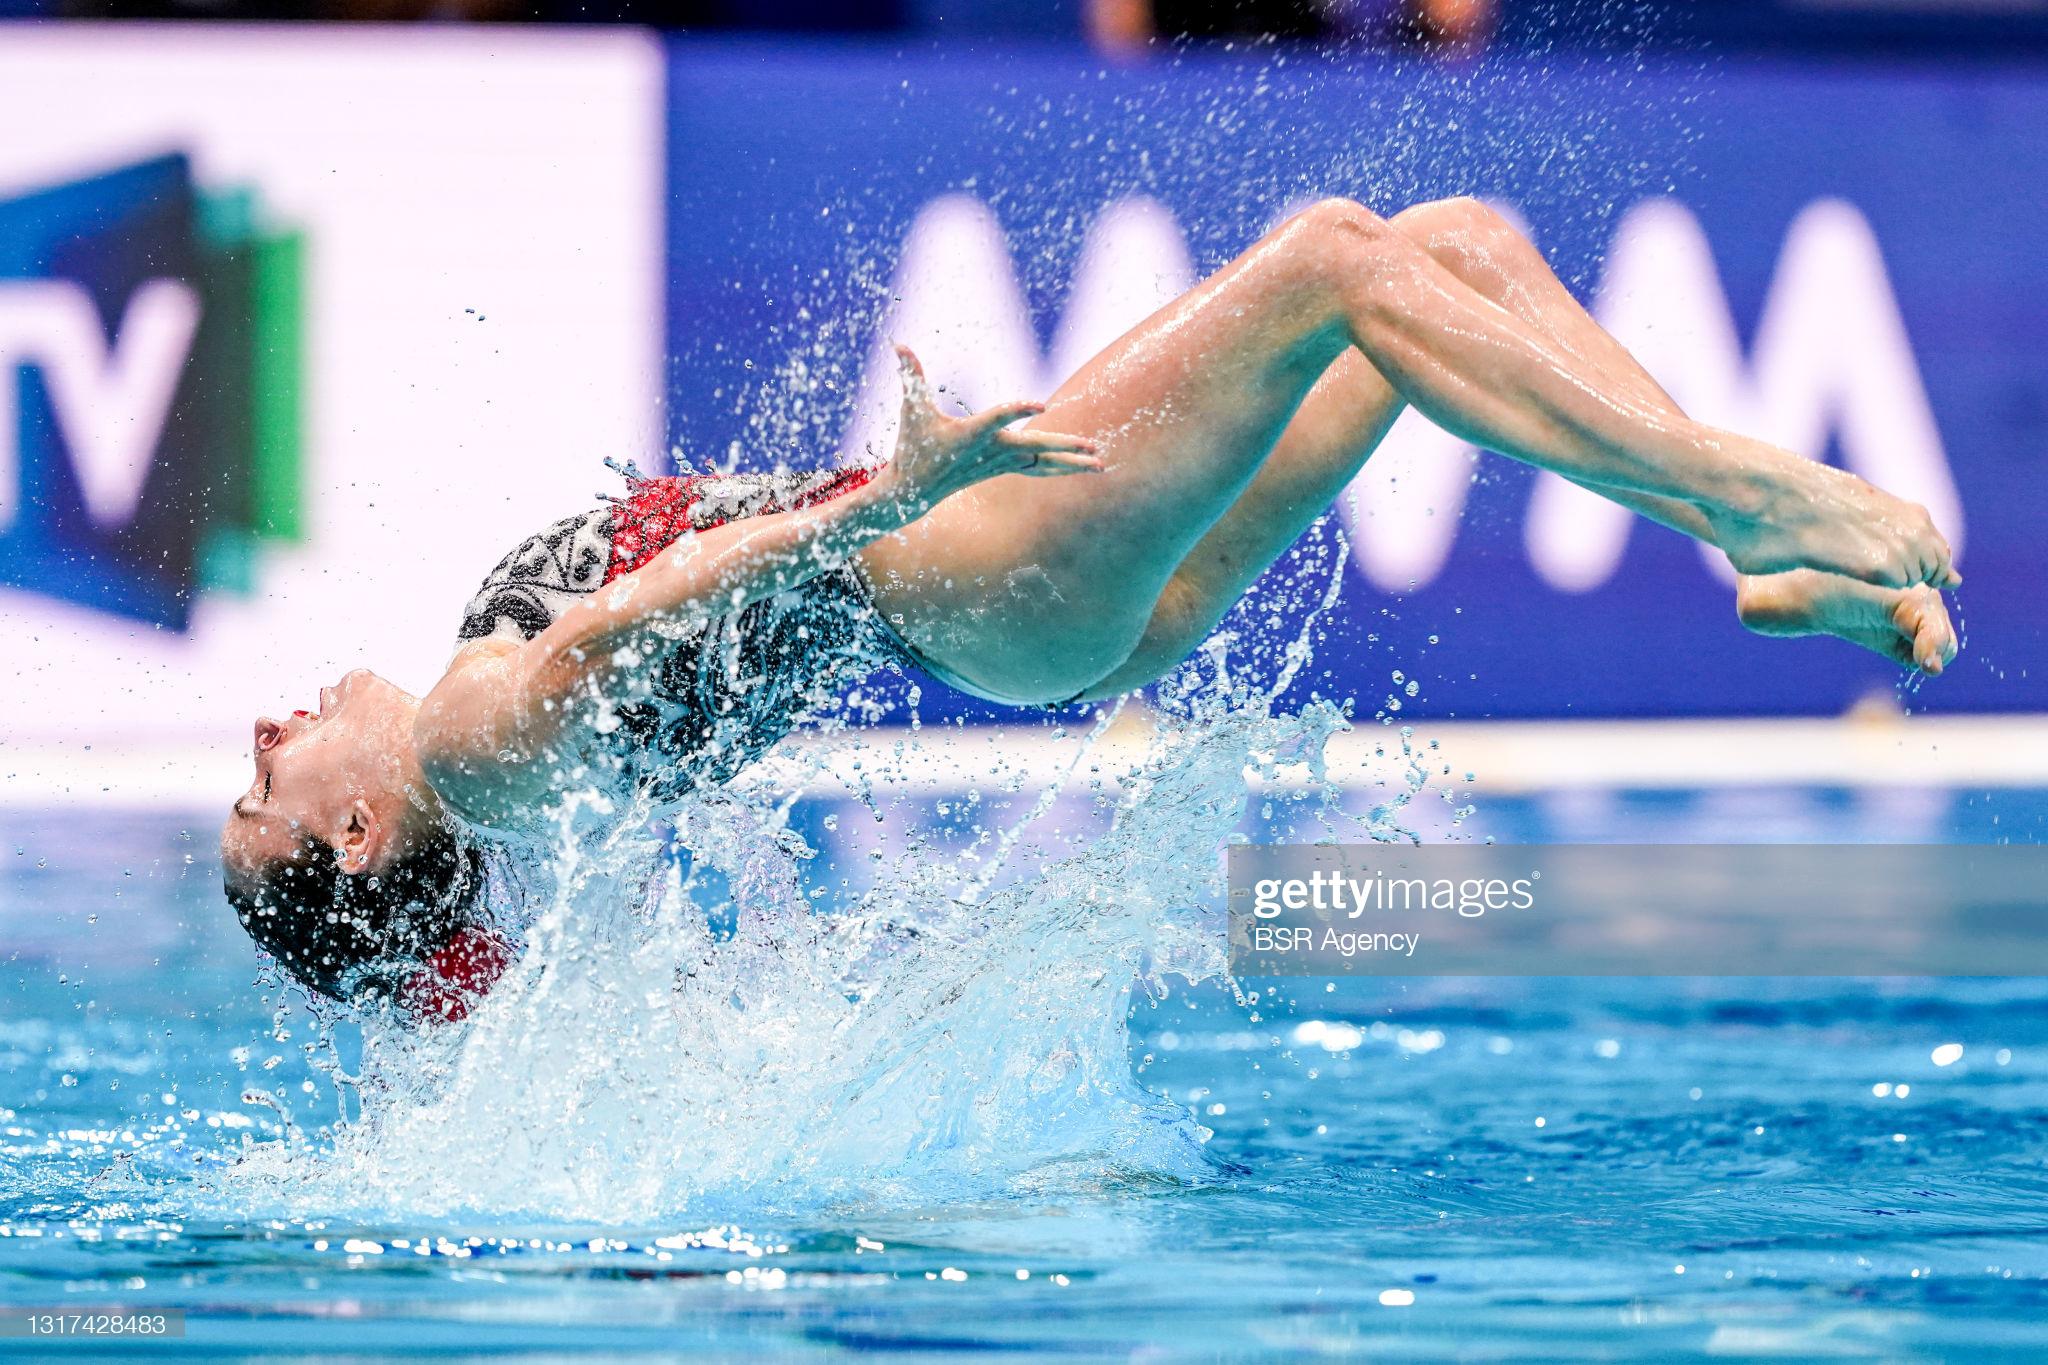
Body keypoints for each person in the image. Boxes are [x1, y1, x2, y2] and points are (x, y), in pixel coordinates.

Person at [221, 196, 1961, 1015]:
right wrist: (887, 496)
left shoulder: (503, 780)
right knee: (1337, 260)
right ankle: (1755, 495)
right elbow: (639, 606)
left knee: (1455, 256)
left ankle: (1748, 552)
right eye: (264, 788)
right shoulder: (471, 746)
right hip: (974, 566)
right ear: (358, 835)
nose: (268, 730)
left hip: (1024, 621)